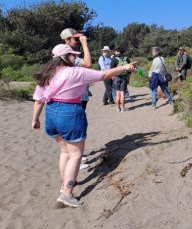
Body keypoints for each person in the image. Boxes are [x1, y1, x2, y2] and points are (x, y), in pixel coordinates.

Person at [32, 43, 136, 207]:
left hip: (51, 113)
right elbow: (104, 75)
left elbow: (39, 100)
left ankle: (64, 183)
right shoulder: (76, 72)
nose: (76, 58)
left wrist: (35, 119)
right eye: (73, 55)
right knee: (75, 155)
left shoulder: (47, 74)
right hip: (70, 112)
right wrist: (124, 67)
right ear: (66, 57)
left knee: (64, 152)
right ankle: (67, 194)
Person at [61, 28, 92, 170]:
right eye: (76, 39)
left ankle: (77, 156)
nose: (79, 41)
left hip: (78, 97)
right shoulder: (68, 55)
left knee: (76, 130)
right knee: (75, 130)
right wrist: (85, 45)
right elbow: (88, 64)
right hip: (74, 99)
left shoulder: (68, 54)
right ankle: (76, 161)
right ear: (66, 40)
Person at [110, 46, 131, 112]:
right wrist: (129, 79)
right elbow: (129, 70)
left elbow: (112, 69)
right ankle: (123, 108)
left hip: (117, 77)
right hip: (124, 77)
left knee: (117, 93)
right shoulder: (127, 58)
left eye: (116, 51)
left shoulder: (114, 58)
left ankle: (117, 108)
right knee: (122, 93)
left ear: (118, 51)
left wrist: (112, 76)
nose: (115, 52)